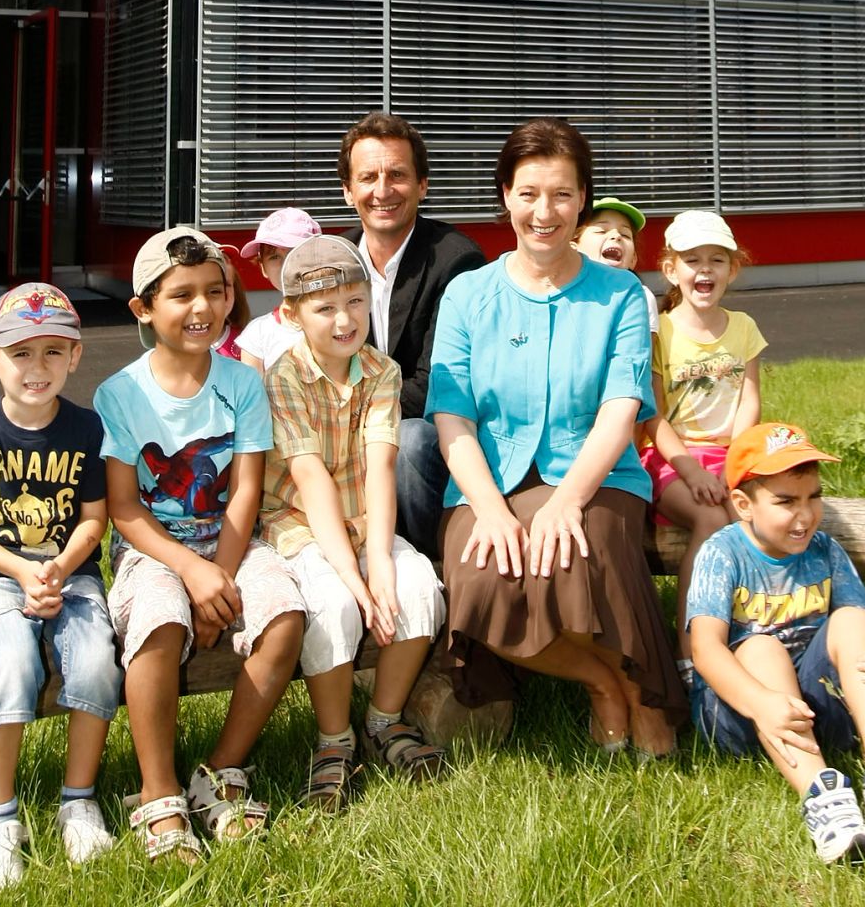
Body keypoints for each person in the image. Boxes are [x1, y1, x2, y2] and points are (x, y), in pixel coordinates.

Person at [427, 117, 684, 757]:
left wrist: (568, 499)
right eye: (529, 193)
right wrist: (488, 509)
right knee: (482, 575)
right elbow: (452, 416)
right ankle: (603, 680)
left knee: (581, 549)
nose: (545, 212)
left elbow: (623, 407)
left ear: (583, 203)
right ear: (504, 196)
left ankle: (643, 689)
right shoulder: (466, 294)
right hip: (491, 479)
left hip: (597, 475)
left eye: (563, 195)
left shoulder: (621, 293)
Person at [94, 227, 306, 865]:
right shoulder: (121, 394)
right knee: (158, 623)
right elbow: (126, 511)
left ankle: (220, 773)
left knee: (285, 616)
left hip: (232, 544)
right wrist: (189, 570)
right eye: (181, 295)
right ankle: (158, 794)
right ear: (143, 308)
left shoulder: (241, 383)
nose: (202, 308)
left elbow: (244, 491)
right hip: (153, 549)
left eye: (215, 292)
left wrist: (221, 569)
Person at [0, 282, 122, 894]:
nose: (38, 369)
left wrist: (60, 567)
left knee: (94, 662)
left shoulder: (88, 430)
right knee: (8, 662)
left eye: (53, 352)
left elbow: (95, 519)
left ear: (76, 356)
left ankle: (78, 802)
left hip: (73, 574)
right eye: (21, 353)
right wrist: (20, 571)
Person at [688, 422, 865, 864]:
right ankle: (823, 797)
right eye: (786, 501)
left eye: (813, 497)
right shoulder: (722, 552)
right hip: (742, 710)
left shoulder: (825, 550)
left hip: (816, 704)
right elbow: (705, 650)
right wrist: (761, 702)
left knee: (853, 619)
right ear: (743, 504)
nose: (805, 515)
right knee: (761, 647)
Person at [259, 235, 447, 808]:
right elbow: (311, 481)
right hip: (299, 520)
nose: (345, 320)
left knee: (418, 590)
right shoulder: (282, 377)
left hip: (363, 517)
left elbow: (381, 463)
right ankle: (333, 737)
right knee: (335, 604)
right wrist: (356, 579)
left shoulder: (381, 372)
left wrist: (383, 563)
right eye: (325, 308)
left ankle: (384, 719)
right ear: (291, 314)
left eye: (356, 302)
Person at [339, 112, 485, 556]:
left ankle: (428, 570)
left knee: (410, 440)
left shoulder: (457, 262)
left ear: (422, 185)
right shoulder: (335, 263)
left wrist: (356, 420)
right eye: (368, 177)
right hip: (350, 421)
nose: (382, 190)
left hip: (431, 432)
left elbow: (437, 383)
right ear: (348, 191)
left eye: (397, 175)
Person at [643, 211, 766, 674]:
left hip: (731, 452)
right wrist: (693, 470)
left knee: (755, 520)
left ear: (733, 269)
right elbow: (652, 415)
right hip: (670, 454)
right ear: (671, 269)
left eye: (718, 260)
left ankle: (755, 632)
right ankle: (690, 651)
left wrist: (734, 462)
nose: (706, 270)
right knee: (711, 519)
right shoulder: (660, 330)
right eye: (692, 260)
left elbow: (749, 403)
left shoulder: (743, 328)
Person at [237, 206, 323, 372]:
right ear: (263, 267)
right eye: (274, 257)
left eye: (295, 252)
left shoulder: (342, 319)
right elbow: (253, 396)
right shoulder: (257, 335)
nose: (287, 264)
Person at [574, 194, 659, 329]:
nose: (616, 236)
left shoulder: (641, 297)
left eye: (625, 234)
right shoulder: (564, 292)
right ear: (573, 247)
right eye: (601, 231)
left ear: (633, 260)